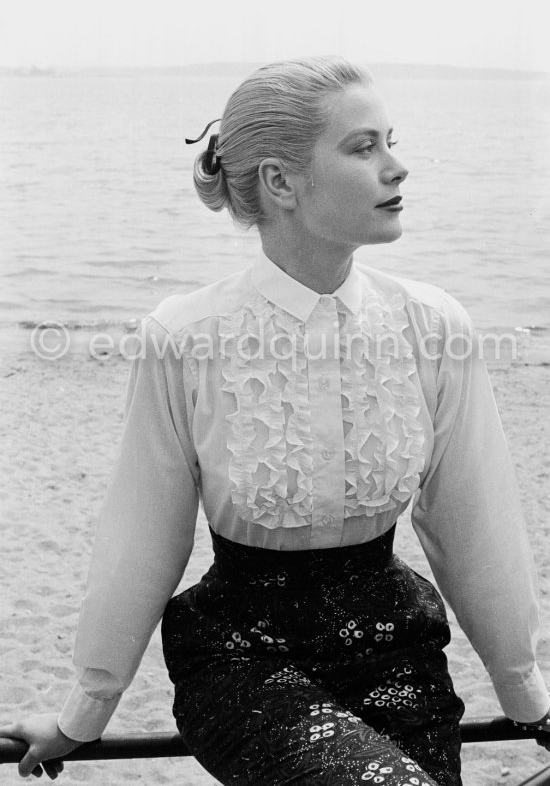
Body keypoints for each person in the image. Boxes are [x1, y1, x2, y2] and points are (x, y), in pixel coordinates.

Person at [1, 55, 549, 785]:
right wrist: (84, 712)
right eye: (365, 147)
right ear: (281, 181)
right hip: (243, 657)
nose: (397, 167)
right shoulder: (184, 335)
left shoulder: (432, 325)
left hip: (398, 649)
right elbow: (141, 538)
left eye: (392, 140)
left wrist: (528, 699)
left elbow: (475, 525)